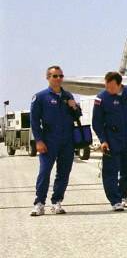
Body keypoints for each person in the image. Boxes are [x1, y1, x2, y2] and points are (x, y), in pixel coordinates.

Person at [29, 65, 81, 216]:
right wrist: (38, 140)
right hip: (48, 140)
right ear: (48, 78)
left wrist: (74, 107)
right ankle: (39, 203)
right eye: (55, 76)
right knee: (45, 172)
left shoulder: (68, 96)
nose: (58, 79)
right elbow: (34, 121)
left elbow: (77, 115)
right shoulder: (40, 97)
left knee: (64, 173)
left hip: (67, 141)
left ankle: (56, 202)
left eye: (60, 76)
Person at [92, 71, 127, 211]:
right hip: (112, 139)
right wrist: (103, 140)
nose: (108, 89)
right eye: (106, 86)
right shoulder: (101, 98)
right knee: (111, 171)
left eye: (111, 87)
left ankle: (123, 193)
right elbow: (97, 122)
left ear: (119, 84)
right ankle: (115, 200)